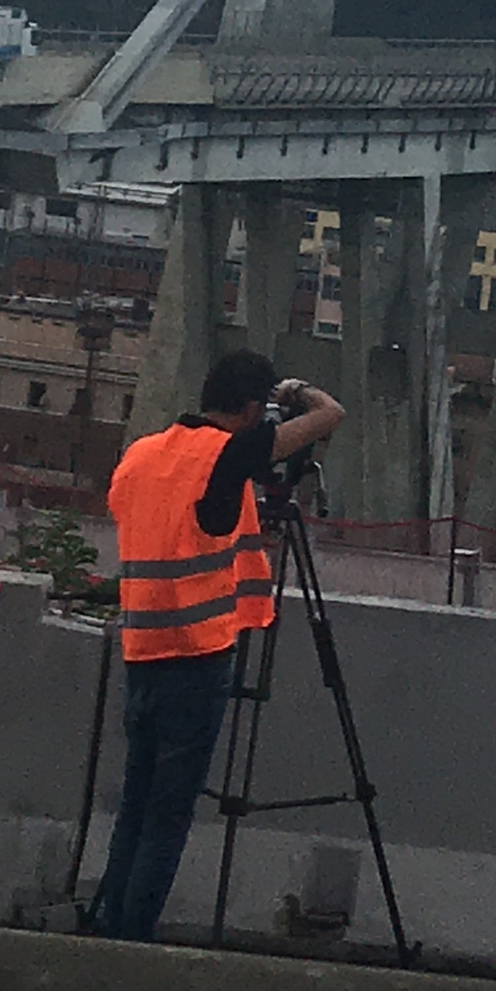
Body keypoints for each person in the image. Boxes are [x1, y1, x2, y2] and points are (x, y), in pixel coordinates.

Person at [93, 349, 344, 942]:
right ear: (255, 409)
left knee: (136, 805)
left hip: (141, 653)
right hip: (198, 657)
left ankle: (110, 932)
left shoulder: (141, 455)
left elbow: (177, 524)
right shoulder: (228, 454)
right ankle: (132, 941)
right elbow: (330, 413)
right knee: (168, 814)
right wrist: (297, 390)